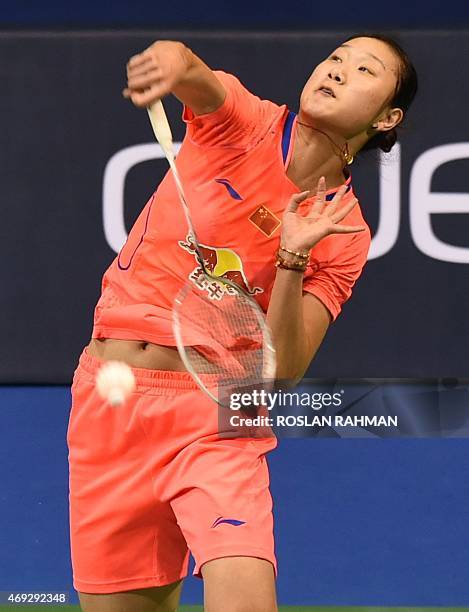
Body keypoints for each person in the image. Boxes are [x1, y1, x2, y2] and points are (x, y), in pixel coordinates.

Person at [67, 34, 417, 611]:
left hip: (215, 417)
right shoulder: (247, 124)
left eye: (363, 70)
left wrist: (292, 256)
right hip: (109, 401)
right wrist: (168, 60)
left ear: (388, 117)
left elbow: (279, 378)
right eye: (334, 58)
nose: (337, 70)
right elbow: (195, 73)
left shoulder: (345, 233)